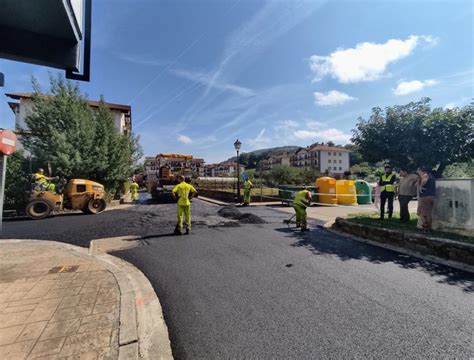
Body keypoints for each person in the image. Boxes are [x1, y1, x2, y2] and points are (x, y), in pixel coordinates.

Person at [417, 167, 436, 232]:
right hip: (431, 196)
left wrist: (420, 186)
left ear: (423, 171)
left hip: (425, 197)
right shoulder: (432, 177)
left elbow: (424, 180)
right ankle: (429, 228)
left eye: (419, 171)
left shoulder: (425, 175)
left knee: (422, 213)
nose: (418, 172)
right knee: (428, 213)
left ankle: (426, 228)